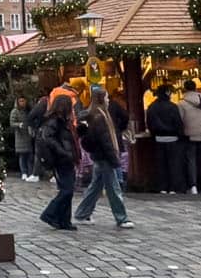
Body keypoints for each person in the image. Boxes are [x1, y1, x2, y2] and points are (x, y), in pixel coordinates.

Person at [75, 86, 131, 227]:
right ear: (101, 99)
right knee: (113, 188)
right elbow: (105, 140)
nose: (108, 100)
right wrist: (114, 159)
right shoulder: (99, 117)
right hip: (104, 156)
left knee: (96, 186)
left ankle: (82, 213)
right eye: (106, 97)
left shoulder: (98, 115)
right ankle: (121, 217)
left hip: (99, 156)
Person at [37, 93, 78, 230]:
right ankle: (50, 214)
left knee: (68, 190)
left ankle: (64, 220)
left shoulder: (64, 121)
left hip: (67, 158)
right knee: (67, 190)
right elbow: (49, 139)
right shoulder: (54, 121)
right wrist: (63, 152)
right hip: (61, 159)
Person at [146, 84, 186, 195]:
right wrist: (179, 134)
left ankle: (162, 187)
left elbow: (150, 124)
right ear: (168, 93)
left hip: (158, 139)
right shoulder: (173, 107)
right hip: (173, 139)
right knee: (174, 165)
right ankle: (173, 187)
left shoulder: (152, 107)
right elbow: (179, 124)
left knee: (161, 165)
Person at [179, 81, 201, 195]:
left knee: (191, 161)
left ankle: (193, 186)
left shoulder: (182, 104)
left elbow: (179, 120)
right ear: (196, 88)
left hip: (188, 135)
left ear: (184, 89)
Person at [11, 95, 34, 181]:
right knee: (22, 155)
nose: (22, 103)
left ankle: (30, 172)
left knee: (30, 155)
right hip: (20, 135)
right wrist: (18, 124)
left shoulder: (28, 110)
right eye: (20, 101)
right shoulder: (15, 111)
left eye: (23, 101)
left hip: (28, 134)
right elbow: (12, 122)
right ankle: (24, 172)